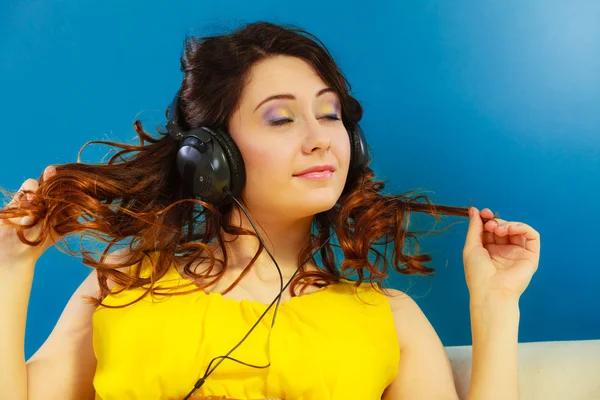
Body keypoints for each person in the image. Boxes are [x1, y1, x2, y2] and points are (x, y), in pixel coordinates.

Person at [0, 21, 540, 400]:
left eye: (330, 116)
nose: (320, 140)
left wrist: (496, 306)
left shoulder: (390, 320)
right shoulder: (116, 292)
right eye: (281, 119)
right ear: (210, 155)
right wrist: (10, 267)